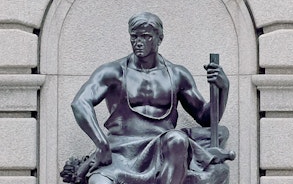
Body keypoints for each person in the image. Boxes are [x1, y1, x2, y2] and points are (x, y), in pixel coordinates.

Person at [67, 12, 234, 184]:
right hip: (120, 151)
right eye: (134, 36)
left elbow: (205, 118)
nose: (138, 42)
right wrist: (101, 144)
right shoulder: (113, 72)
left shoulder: (177, 75)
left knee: (177, 139)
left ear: (159, 39)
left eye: (146, 37)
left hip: (161, 150)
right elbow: (80, 103)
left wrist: (223, 89)